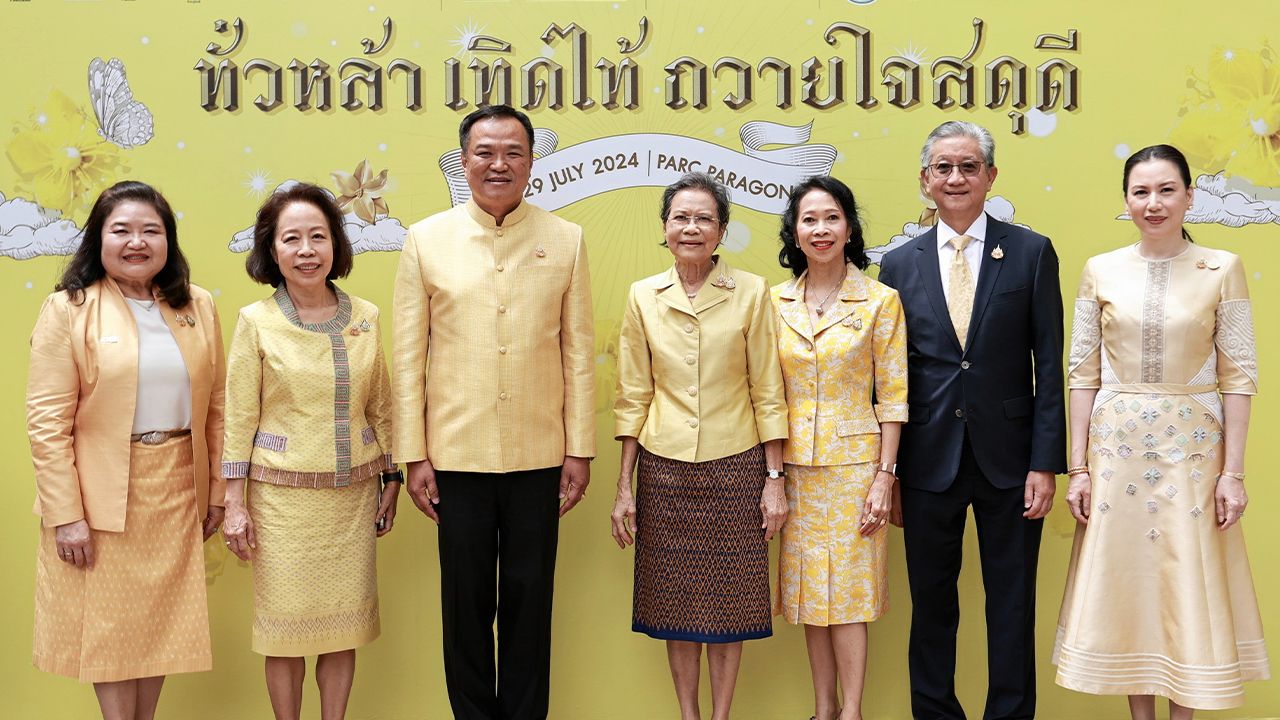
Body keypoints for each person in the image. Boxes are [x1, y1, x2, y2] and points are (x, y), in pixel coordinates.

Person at [392, 104, 594, 720]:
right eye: (485, 152)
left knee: (531, 609)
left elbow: (578, 354)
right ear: (464, 160)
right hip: (454, 458)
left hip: (540, 457)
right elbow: (408, 360)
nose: (498, 164)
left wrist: (579, 449)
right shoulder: (426, 240)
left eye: (513, 152)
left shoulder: (566, 239)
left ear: (532, 162)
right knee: (466, 608)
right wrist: (414, 455)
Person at [1054, 144, 1269, 718]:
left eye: (1166, 190)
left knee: (1187, 586)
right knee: (1132, 587)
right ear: (1125, 200)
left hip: (1193, 454)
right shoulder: (1100, 269)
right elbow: (1081, 374)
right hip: (1115, 454)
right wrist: (1077, 468)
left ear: (1189, 196)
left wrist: (1234, 473)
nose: (1153, 203)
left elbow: (1240, 376)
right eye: (1140, 192)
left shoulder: (1221, 267)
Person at [877, 121, 1066, 720]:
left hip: (1011, 463)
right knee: (931, 605)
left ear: (990, 175)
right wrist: (893, 471)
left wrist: (1045, 462)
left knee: (1011, 603)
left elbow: (1049, 364)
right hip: (927, 461)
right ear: (924, 180)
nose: (954, 178)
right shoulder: (898, 264)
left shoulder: (1032, 252)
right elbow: (890, 376)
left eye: (967, 166)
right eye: (942, 167)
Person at [26, 180, 226, 720]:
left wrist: (220, 495)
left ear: (168, 241)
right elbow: (47, 424)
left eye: (151, 231)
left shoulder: (197, 306)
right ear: (99, 239)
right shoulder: (68, 309)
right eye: (122, 231)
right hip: (101, 495)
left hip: (178, 485)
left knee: (158, 622)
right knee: (112, 628)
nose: (136, 242)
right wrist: (67, 515)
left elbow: (219, 408)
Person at [611, 171, 788, 720]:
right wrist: (624, 488)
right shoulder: (644, 295)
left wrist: (775, 482)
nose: (691, 228)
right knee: (675, 602)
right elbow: (632, 395)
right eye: (680, 218)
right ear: (664, 229)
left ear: (723, 231)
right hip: (663, 471)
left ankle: (721, 716)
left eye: (703, 219)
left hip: (737, 468)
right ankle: (688, 714)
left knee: (729, 605)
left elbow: (768, 390)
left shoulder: (753, 293)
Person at [220, 182, 400, 720]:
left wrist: (392, 482)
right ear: (271, 250)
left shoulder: (365, 315)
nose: (306, 250)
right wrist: (234, 502)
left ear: (335, 245)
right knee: (284, 633)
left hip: (351, 501)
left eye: (318, 236)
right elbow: (239, 416)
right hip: (280, 503)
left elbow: (382, 406)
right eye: (291, 238)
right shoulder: (257, 322)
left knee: (341, 628)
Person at [771, 176, 908, 720]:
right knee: (810, 596)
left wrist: (885, 476)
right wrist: (772, 475)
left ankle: (852, 710)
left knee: (848, 598)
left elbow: (895, 396)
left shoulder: (879, 301)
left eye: (831, 218)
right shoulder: (773, 300)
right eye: (809, 219)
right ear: (795, 231)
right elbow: (766, 393)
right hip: (796, 468)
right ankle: (821, 709)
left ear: (849, 227)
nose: (820, 229)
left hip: (856, 470)